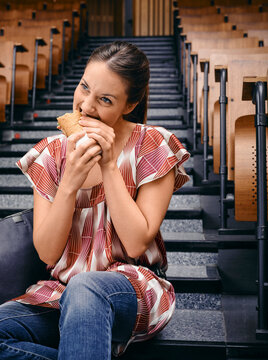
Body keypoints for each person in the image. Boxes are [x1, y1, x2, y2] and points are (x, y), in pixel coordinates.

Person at [0, 41, 190, 359]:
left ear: (129, 105)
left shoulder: (154, 145)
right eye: (84, 87)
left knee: (86, 286)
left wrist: (108, 163)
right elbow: (47, 251)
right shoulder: (51, 153)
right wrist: (70, 183)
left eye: (104, 99)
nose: (86, 107)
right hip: (58, 295)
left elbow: (134, 244)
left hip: (128, 291)